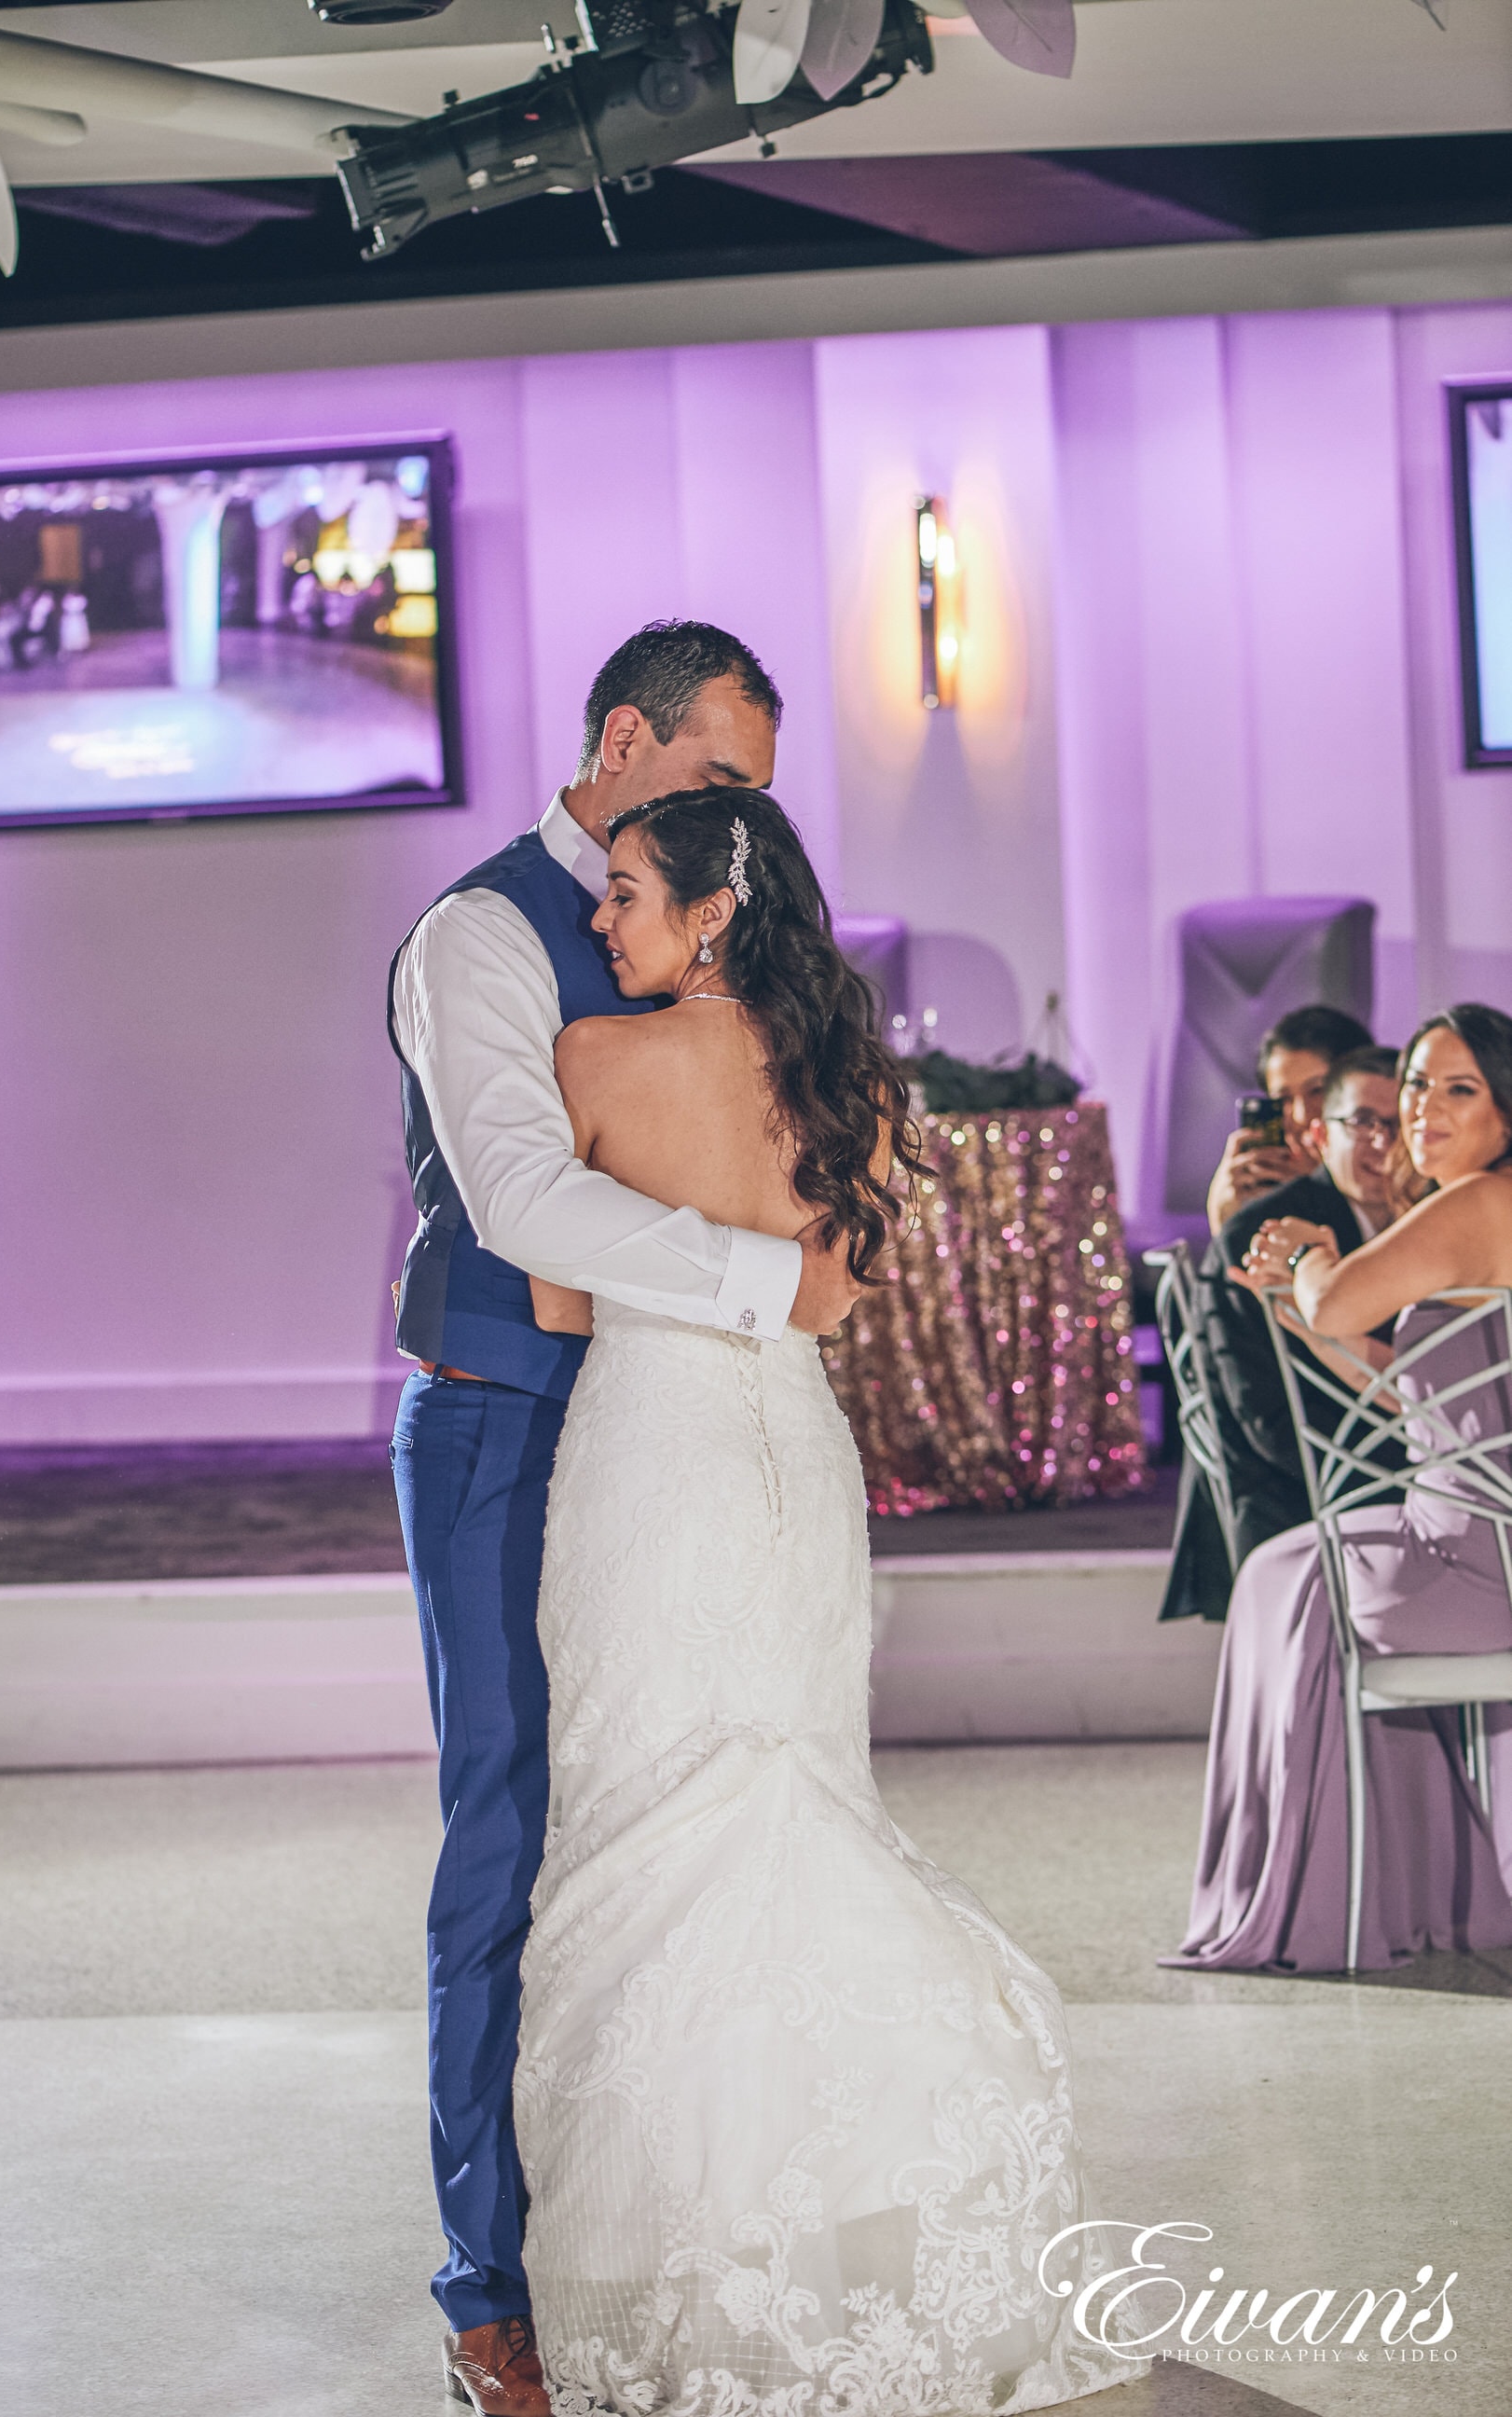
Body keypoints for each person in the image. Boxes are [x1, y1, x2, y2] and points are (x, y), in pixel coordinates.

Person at [514, 787, 1142, 2411]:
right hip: (795, 1452)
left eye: (629, 893)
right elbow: (832, 1301)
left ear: (713, 907)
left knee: (648, 1814)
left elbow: (558, 1293)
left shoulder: (587, 1063)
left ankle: (689, 2280)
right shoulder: (851, 1080)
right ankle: (839, 2255)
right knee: (793, 1793)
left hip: (651, 1453)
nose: (604, 919)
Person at [387, 624, 859, 2417]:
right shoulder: (482, 933)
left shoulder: (687, 949)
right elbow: (518, 1192)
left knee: (691, 1820)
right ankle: (492, 2282)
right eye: (715, 778)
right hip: (510, 1421)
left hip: (673, 1435)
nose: (744, 818)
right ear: (621, 742)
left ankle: (672, 2231)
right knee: (512, 1834)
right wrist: (765, 1281)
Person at [1163, 1003, 1512, 1973]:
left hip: (1476, 1563)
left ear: (1504, 1109)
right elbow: (1411, 1396)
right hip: (1481, 1543)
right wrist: (1305, 1304)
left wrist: (1301, 1260)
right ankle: (1409, 1890)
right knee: (1285, 1567)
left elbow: (1342, 1296)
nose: (1421, 1109)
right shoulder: (1478, 1205)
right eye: (1413, 1085)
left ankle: (1319, 1907)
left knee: (1286, 1582)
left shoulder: (1473, 1203)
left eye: (1457, 1089)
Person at [1159, 1046, 1404, 1623]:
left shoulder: (1426, 1225)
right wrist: (1421, 1465)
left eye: (1397, 1124)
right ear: (1319, 1135)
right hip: (1295, 1500)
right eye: (1364, 1122)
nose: (1383, 1143)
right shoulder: (1261, 1233)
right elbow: (1266, 1419)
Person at [1204, 1002, 1373, 1236]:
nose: (1301, 1115)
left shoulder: (1386, 1174)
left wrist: (1319, 1188)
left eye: (1317, 1091)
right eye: (1283, 1099)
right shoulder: (1270, 1188)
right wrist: (1227, 1221)